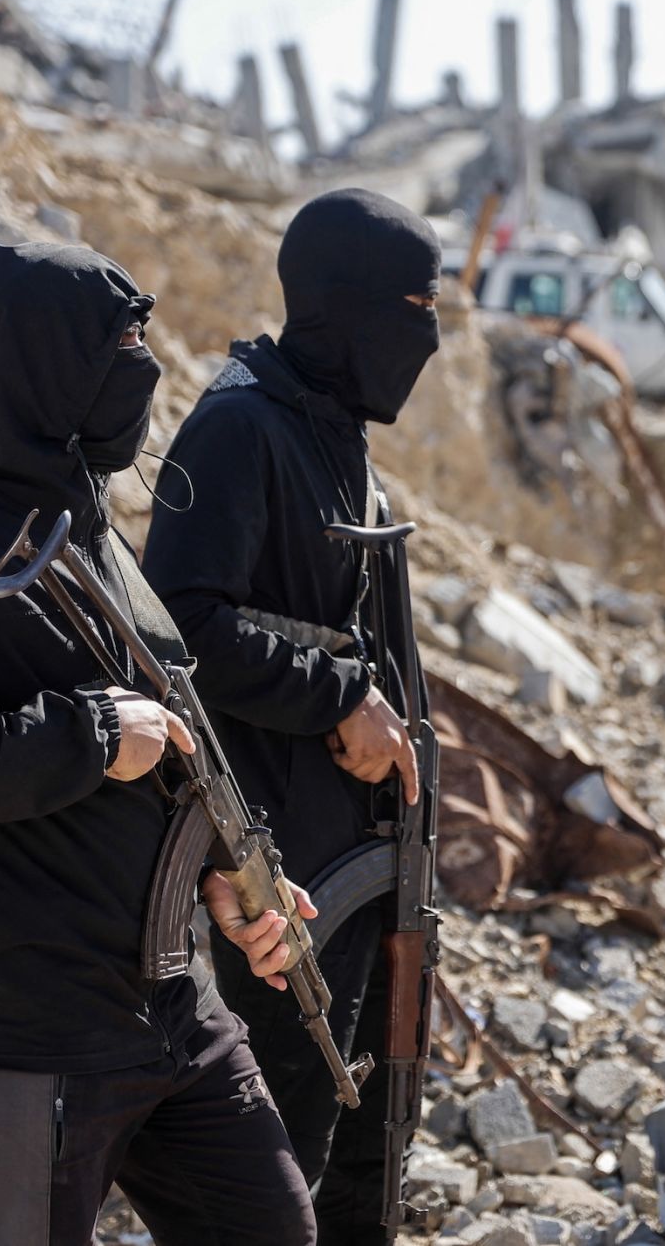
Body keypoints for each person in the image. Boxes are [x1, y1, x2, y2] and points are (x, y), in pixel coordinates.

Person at [0, 243, 318, 1246]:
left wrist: (230, 876)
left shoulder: (95, 533)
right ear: (48, 363)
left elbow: (176, 736)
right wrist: (88, 735)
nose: (143, 366)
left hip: (173, 1008)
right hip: (25, 1025)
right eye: (122, 342)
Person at [141, 188, 440, 1241]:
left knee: (363, 1141)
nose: (428, 332)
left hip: (356, 861)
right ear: (345, 305)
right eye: (412, 304)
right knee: (278, 1164)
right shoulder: (240, 428)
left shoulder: (330, 428)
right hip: (275, 875)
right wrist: (339, 698)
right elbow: (176, 629)